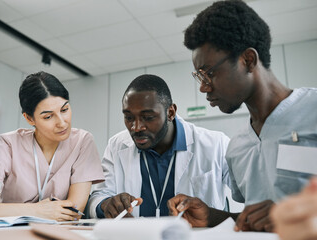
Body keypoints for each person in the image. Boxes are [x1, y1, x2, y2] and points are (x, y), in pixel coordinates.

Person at [168, 0, 317, 232]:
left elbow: (276, 215)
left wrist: (298, 212)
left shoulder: (313, 110)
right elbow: (256, 219)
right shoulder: (237, 147)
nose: (203, 88)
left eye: (209, 74)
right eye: (199, 77)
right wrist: (211, 216)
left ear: (248, 60)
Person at [0, 71, 104, 221]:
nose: (62, 122)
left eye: (65, 109)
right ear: (29, 118)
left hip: (57, 232)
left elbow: (74, 210)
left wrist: (10, 209)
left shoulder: (82, 141)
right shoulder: (7, 145)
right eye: (48, 116)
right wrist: (36, 210)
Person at [88, 74, 230, 219]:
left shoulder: (216, 144)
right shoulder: (116, 145)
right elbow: (98, 197)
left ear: (170, 112)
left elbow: (252, 195)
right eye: (129, 118)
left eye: (148, 117)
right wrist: (105, 205)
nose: (136, 128)